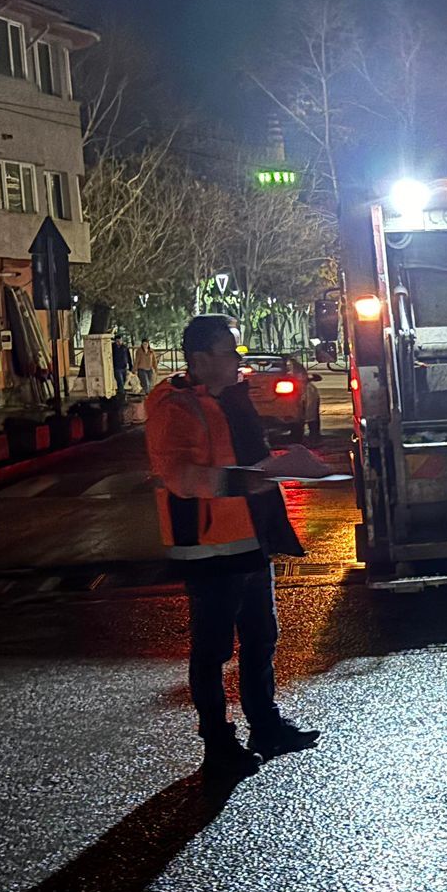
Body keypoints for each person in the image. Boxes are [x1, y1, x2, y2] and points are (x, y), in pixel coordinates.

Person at [146, 316, 319, 783]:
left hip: (247, 539)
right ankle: (218, 745)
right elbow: (179, 475)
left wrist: (276, 468)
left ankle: (265, 727)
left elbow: (249, 453)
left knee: (262, 637)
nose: (238, 362)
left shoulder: (231, 399)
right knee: (213, 650)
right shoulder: (174, 406)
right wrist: (243, 480)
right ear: (200, 359)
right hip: (206, 547)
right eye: (229, 352)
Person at [111, 331, 132, 397]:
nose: (119, 342)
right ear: (115, 341)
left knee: (124, 381)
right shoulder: (112, 348)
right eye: (117, 341)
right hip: (117, 368)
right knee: (120, 381)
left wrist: (130, 365)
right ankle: (122, 395)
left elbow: (128, 356)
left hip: (124, 367)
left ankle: (120, 392)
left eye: (120, 341)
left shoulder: (125, 347)